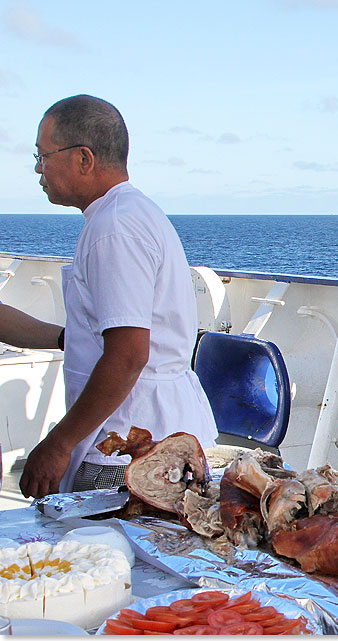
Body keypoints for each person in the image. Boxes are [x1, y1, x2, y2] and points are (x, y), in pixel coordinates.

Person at [20, 94, 217, 499]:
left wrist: (58, 444)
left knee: (110, 549)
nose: (38, 169)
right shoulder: (128, 213)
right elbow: (104, 335)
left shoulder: (114, 228)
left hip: (132, 442)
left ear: (83, 159)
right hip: (153, 429)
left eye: (43, 155)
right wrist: (67, 338)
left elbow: (128, 354)